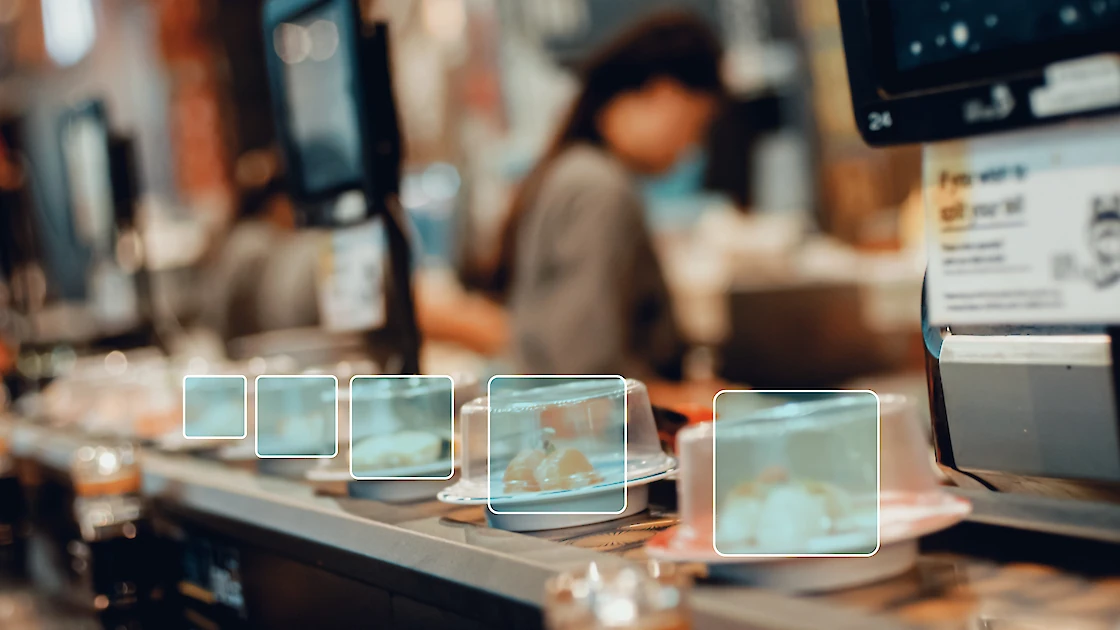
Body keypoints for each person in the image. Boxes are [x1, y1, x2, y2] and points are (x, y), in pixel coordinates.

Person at [487, 11, 724, 380]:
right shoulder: (598, 188)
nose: (691, 146)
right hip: (589, 428)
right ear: (664, 94)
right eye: (695, 125)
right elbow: (583, 367)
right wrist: (685, 402)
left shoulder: (577, 170)